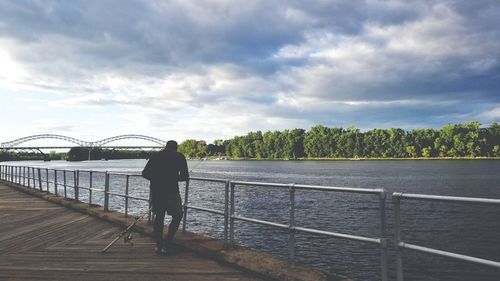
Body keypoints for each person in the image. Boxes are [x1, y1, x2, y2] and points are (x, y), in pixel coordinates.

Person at [142, 140, 189, 255]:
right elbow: (185, 176)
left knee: (159, 217)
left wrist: (157, 178)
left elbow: (145, 173)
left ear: (165, 147)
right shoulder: (179, 156)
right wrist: (173, 178)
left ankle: (158, 245)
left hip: (157, 191)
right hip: (171, 191)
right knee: (178, 215)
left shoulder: (155, 156)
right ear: (176, 148)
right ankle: (168, 242)